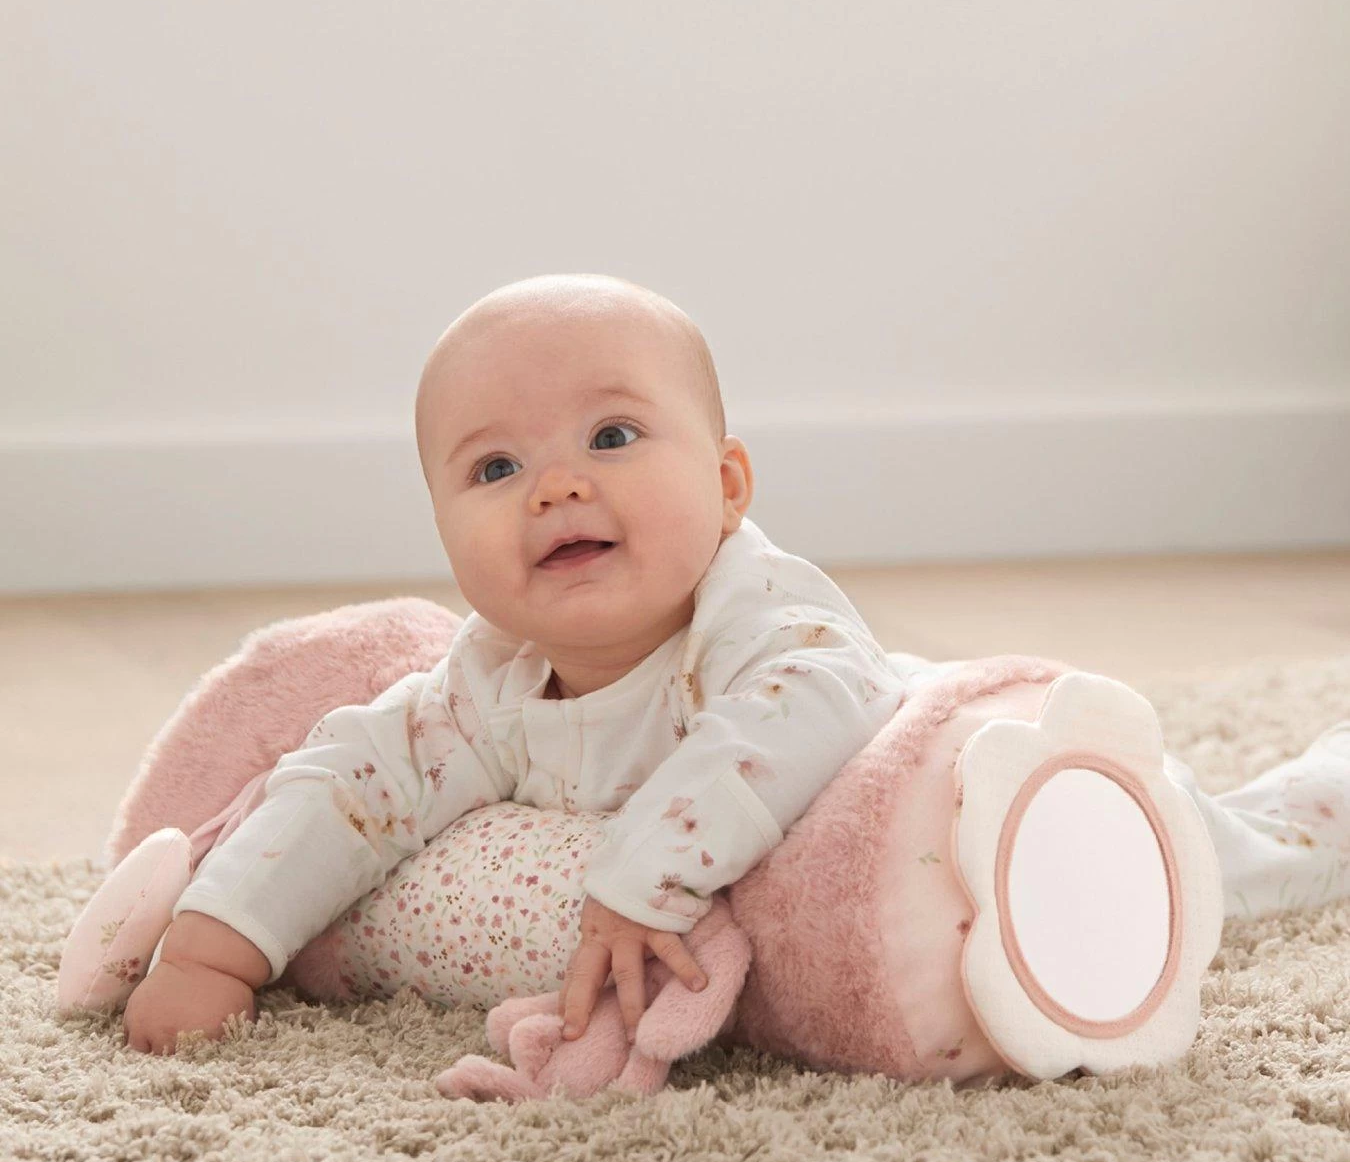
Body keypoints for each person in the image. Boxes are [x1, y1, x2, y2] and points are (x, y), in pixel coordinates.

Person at [122, 272, 1350, 1057]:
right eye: (496, 468)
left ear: (725, 487)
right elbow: (346, 785)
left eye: (613, 435)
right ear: (442, 530)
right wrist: (218, 940)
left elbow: (812, 704)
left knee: (1230, 855)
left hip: (984, 789)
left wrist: (642, 869)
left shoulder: (766, 614)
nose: (558, 482)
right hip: (855, 908)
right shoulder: (481, 687)